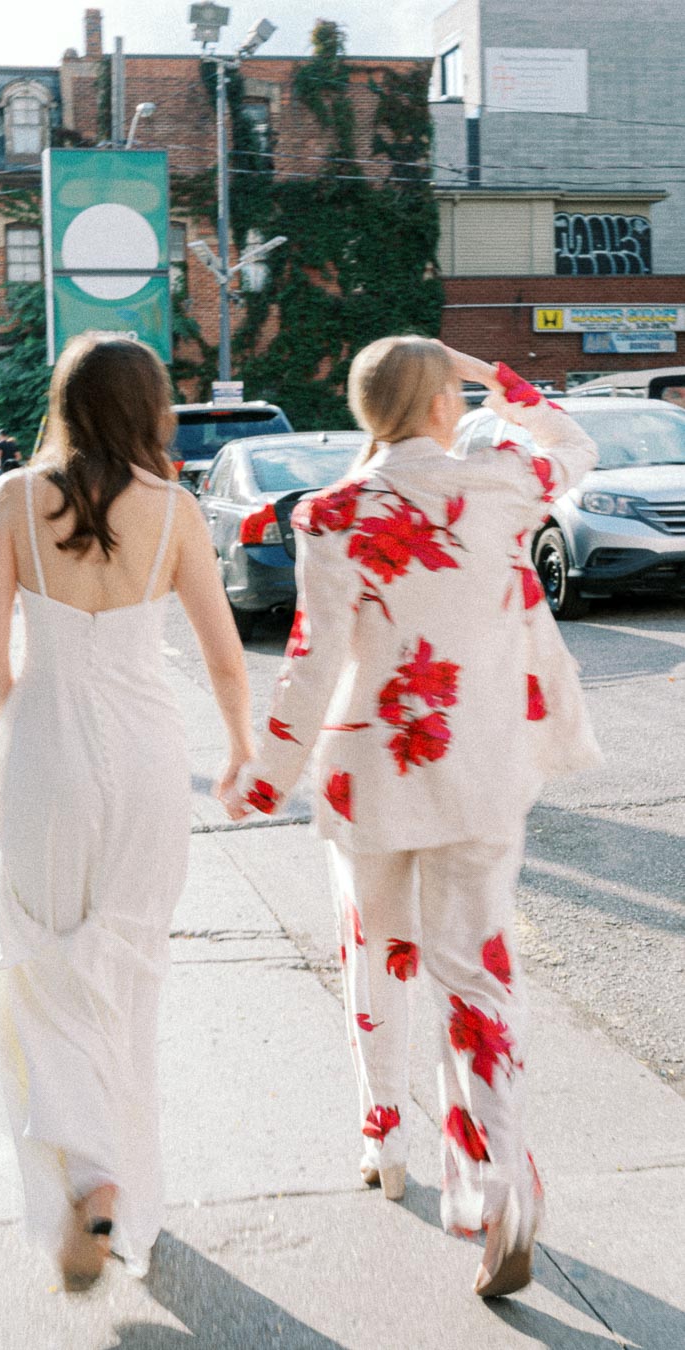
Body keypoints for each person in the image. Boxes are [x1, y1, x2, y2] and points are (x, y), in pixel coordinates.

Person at [224, 339, 601, 1300]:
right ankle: (500, 1185)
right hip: (479, 766)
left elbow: (311, 661)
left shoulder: (333, 513)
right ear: (445, 401)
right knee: (475, 974)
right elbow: (572, 440)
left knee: (375, 953)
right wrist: (491, 375)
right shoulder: (503, 484)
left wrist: (265, 778)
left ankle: (384, 1139)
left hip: (370, 775)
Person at [0, 334, 253, 1289]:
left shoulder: (13, 499)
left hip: (44, 753)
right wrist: (243, 747)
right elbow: (223, 656)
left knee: (40, 967)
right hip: (149, 763)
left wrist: (33, 733)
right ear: (149, 409)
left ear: (67, 403)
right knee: (127, 972)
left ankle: (88, 1180)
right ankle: (124, 1188)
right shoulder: (177, 513)